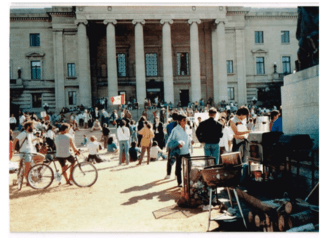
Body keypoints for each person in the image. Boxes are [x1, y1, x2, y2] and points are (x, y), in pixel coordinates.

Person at [165, 114, 193, 187]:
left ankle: (188, 181)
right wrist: (177, 144)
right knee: (178, 167)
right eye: (184, 120)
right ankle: (179, 182)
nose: (185, 121)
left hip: (187, 150)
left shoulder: (187, 128)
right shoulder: (175, 130)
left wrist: (191, 141)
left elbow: (189, 137)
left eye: (186, 120)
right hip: (179, 151)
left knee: (189, 166)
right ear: (180, 121)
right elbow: (170, 141)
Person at [12, 121, 43, 185]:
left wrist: (36, 139)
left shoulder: (30, 133)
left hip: (31, 152)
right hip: (24, 153)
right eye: (32, 126)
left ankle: (30, 170)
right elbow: (15, 140)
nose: (34, 127)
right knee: (27, 167)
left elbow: (30, 141)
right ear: (28, 127)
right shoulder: (23, 133)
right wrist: (13, 149)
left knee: (42, 157)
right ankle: (28, 181)